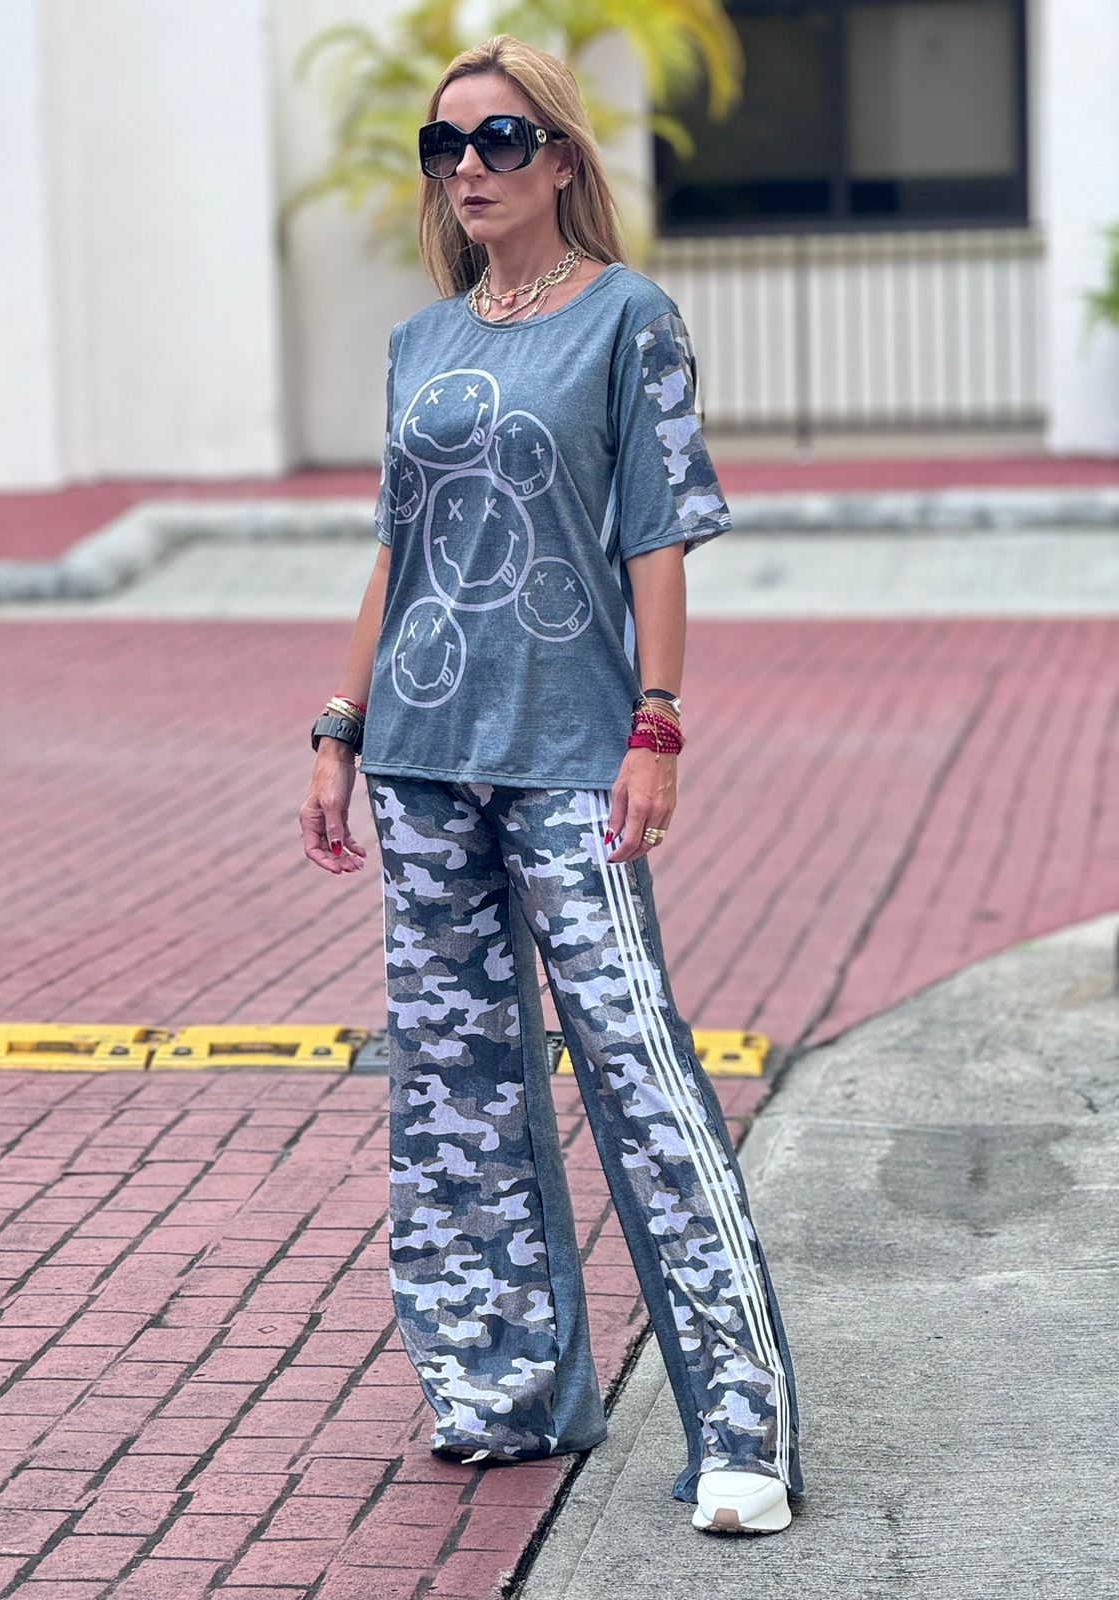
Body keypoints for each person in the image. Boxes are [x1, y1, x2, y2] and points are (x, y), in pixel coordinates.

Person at [299, 33, 805, 1537]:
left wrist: (658, 725)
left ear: (563, 157)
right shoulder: (420, 341)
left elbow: (657, 532)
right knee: (453, 1089)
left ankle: (742, 1430)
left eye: (502, 138)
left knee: (640, 1077)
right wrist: (339, 725)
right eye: (445, 144)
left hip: (571, 750)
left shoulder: (627, 318)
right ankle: (502, 1391)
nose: (470, 166)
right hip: (422, 761)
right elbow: (396, 553)